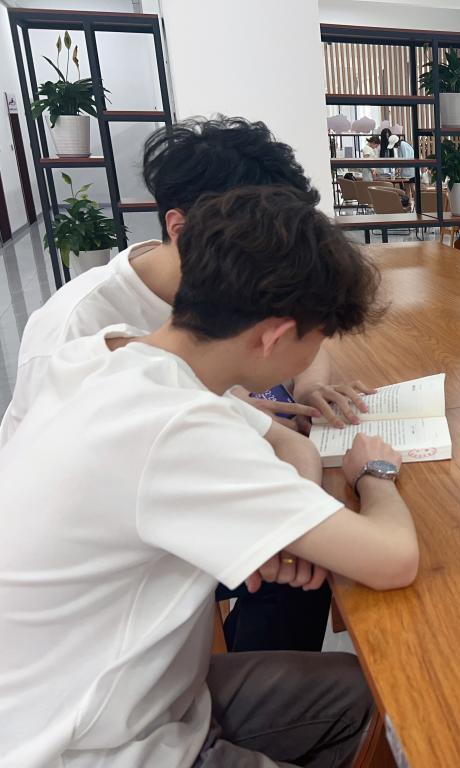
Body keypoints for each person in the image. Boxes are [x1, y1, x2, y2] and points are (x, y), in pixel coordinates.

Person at [0, 185, 419, 767]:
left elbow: (278, 448)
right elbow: (394, 558)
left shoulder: (106, 355)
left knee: (369, 697)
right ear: (274, 336)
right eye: (319, 338)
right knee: (400, 707)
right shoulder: (175, 427)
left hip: (124, 697)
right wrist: (374, 473)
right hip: (94, 748)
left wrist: (276, 536)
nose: (315, 357)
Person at [0, 116, 370, 652]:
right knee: (309, 564)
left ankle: (256, 679)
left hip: (183, 495)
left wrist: (309, 389)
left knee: (307, 564)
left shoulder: (224, 292)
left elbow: (300, 334)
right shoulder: (81, 329)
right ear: (180, 228)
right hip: (112, 559)